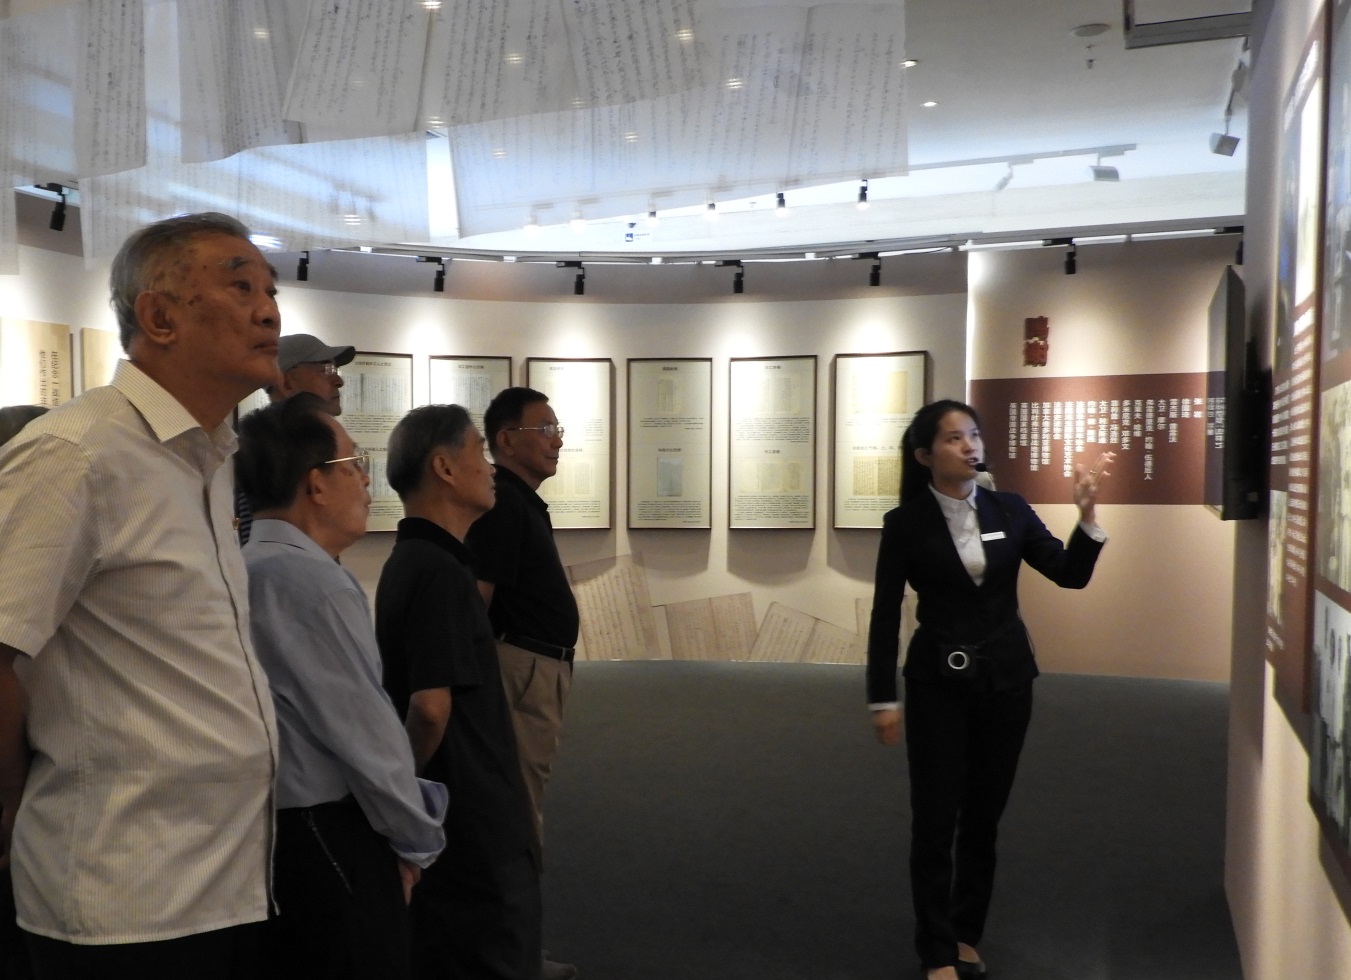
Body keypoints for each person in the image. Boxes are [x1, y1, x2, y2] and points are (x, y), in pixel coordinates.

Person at [0, 212, 281, 977]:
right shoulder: (76, 454)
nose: (267, 312)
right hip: (123, 897)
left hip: (226, 881)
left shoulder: (209, 456)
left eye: (269, 291)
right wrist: (10, 803)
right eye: (240, 287)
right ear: (158, 317)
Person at [866, 398, 1113, 980]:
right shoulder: (905, 523)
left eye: (974, 435)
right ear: (925, 455)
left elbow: (1069, 574)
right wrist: (882, 697)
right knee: (935, 818)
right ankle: (936, 951)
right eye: (954, 438)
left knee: (983, 815)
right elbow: (885, 613)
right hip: (936, 683)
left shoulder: (1011, 507)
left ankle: (964, 932)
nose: (970, 446)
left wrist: (1087, 517)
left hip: (1006, 680)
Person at [236, 393, 448, 979]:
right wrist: (415, 841)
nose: (366, 481)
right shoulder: (309, 582)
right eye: (355, 465)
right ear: (316, 483)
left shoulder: (246, 567)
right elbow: (365, 735)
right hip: (326, 834)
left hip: (271, 832)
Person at [376, 404, 541, 980]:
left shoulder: (417, 561)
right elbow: (430, 707)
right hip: (473, 828)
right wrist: (403, 800)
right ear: (444, 468)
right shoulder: (438, 571)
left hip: (463, 821)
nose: (491, 467)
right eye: (479, 451)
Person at [464, 388, 579, 980]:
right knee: (519, 815)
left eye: (558, 428)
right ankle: (517, 953)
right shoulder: (504, 504)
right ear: (507, 440)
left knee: (522, 808)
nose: (556, 440)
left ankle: (517, 947)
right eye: (545, 429)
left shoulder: (518, 502)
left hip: (537, 669)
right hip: (523, 671)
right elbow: (477, 604)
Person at [236, 332, 354, 544]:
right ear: (286, 382)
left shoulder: (302, 448)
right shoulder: (264, 452)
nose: (338, 381)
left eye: (336, 370)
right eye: (325, 369)